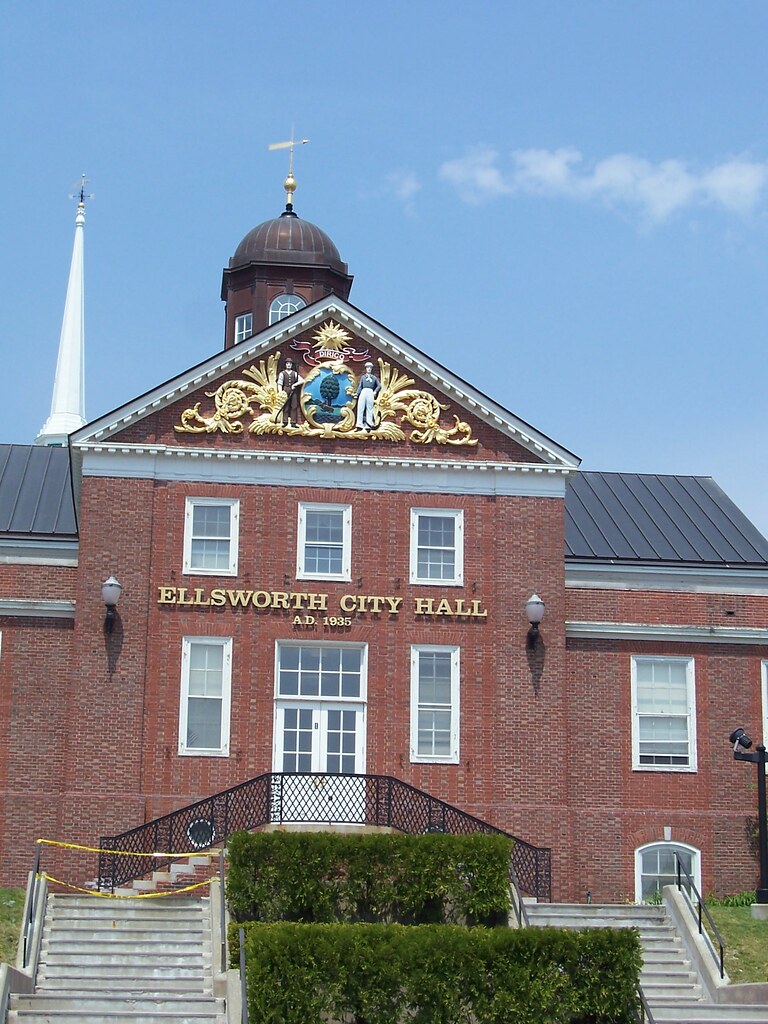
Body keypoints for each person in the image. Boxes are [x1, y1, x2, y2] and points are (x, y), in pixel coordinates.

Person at [355, 362, 381, 431]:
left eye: (370, 368)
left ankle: (368, 424)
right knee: (360, 407)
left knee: (369, 408)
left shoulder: (374, 378)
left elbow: (379, 386)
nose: (369, 369)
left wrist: (375, 391)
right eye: (367, 367)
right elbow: (360, 386)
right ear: (366, 369)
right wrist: (357, 393)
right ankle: (359, 424)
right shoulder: (363, 377)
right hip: (364, 391)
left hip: (370, 392)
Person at [276, 359, 302, 425]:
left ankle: (293, 422)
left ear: (292, 365)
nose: (288, 365)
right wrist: (280, 392)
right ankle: (285, 421)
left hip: (293, 391)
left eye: (290, 364)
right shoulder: (282, 373)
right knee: (286, 405)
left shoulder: (295, 373)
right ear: (285, 365)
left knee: (294, 405)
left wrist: (295, 384)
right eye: (287, 363)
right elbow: (280, 383)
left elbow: (302, 380)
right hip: (285, 390)